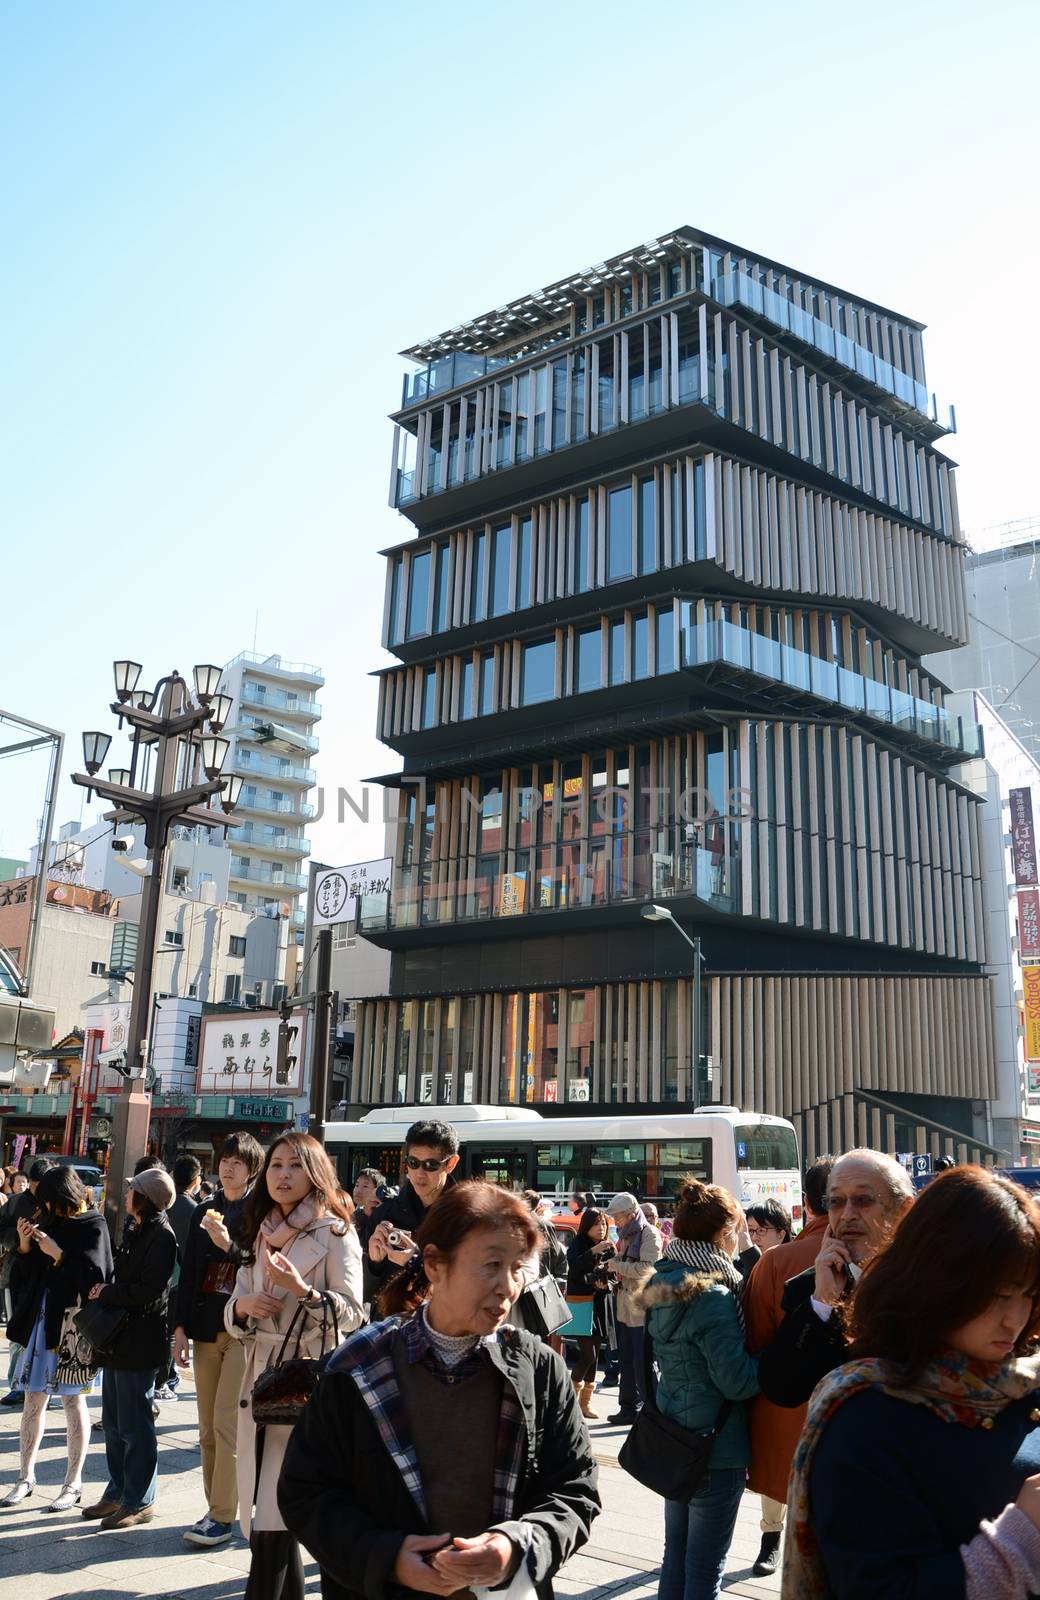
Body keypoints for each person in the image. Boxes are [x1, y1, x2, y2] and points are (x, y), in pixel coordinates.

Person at [279, 1180, 601, 1600]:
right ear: (434, 1264)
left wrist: (517, 1545)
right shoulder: (358, 1366)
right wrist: (387, 1557)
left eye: (518, 1266)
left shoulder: (539, 1368)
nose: (508, 1286)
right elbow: (305, 1493)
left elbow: (575, 1489)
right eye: (490, 1264)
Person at [783, 1165, 1040, 1598]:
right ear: (937, 1280)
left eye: (1030, 1295)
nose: (1015, 1319)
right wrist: (1022, 1536)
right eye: (998, 1295)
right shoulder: (868, 1416)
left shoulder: (1023, 1380)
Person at [225, 1131, 365, 1600]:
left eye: (295, 1166)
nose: (283, 1175)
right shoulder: (259, 1229)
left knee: (281, 1516)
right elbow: (233, 1306)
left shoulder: (336, 1233)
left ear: (315, 1172)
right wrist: (243, 1307)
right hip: (260, 1378)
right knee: (267, 1512)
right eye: (276, 1165)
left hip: (308, 1388)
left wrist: (303, 1292)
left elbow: (353, 1313)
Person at [639, 1179, 760, 1600]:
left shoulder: (662, 1278)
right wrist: (775, 1359)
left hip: (677, 1436)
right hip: (715, 1446)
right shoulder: (715, 1294)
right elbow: (737, 1380)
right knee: (706, 1569)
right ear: (724, 1233)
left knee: (677, 1559)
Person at [757, 1148, 913, 1408]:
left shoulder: (933, 1283)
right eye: (836, 1202)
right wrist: (822, 1303)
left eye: (863, 1200)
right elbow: (781, 1388)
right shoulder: (808, 1288)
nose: (847, 1214)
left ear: (904, 1209)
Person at [0, 1167, 113, 1510]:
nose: (46, 1208)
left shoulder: (94, 1225)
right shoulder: (51, 1221)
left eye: (50, 1201)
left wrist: (59, 1254)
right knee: (33, 1400)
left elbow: (97, 1281)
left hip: (72, 1329)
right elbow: (28, 1274)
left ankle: (73, 1483)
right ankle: (24, 1477)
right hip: (41, 1322)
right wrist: (25, 1245)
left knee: (72, 1402)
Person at [173, 1129, 264, 1548]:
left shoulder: (261, 1213)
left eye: (238, 1162)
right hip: (206, 1324)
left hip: (244, 1329)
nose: (229, 1167)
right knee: (207, 1427)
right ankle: (217, 1506)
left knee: (228, 1422)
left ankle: (224, 1515)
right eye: (225, 1159)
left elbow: (261, 1268)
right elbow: (188, 1272)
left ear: (251, 1170)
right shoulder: (202, 1210)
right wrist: (178, 1329)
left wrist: (229, 1245)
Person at [744, 1157, 833, 1577]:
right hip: (855, 1419)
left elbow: (757, 1340)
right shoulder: (889, 1260)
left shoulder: (776, 1260)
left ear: (807, 1204)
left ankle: (769, 1543)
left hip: (784, 1403)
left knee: (783, 1479)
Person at [81, 1167, 178, 1529]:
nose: (126, 1194)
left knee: (136, 1425)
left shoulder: (163, 1237)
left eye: (132, 1190)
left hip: (140, 1340)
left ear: (145, 1199)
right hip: (120, 1338)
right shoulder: (137, 1229)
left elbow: (149, 1292)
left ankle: (140, 1499)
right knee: (116, 1421)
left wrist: (107, 1292)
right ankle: (118, 1491)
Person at [366, 1119, 459, 1295]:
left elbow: (471, 1287)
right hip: (391, 1320)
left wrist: (416, 1262)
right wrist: (373, 1263)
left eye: (431, 1165)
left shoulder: (467, 1219)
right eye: (413, 1163)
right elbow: (364, 1294)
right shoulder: (384, 1214)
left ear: (451, 1164)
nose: (419, 1173)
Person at [0, 1158, 54, 1409]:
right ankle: (16, 1385)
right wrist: (21, 1239)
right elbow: (1, 1232)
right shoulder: (14, 1204)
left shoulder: (57, 1202)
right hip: (17, 1274)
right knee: (16, 1330)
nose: (34, 1191)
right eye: (31, 1185)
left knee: (44, 1333)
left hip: (49, 1274)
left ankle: (42, 1384)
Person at [604, 1191, 661, 1425]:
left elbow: (648, 1268)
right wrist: (613, 1266)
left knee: (643, 1360)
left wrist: (617, 1265)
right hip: (625, 1305)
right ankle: (627, 1407)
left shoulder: (649, 1234)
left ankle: (652, 1410)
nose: (615, 1221)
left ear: (630, 1214)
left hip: (641, 1306)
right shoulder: (628, 1234)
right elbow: (627, 1263)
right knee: (626, 1358)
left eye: (617, 1216)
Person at [155, 1154, 202, 1402]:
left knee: (160, 1331)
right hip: (179, 1282)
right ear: (195, 1180)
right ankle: (164, 1381)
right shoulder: (197, 1211)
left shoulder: (162, 1203)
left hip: (157, 1279)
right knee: (171, 1333)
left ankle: (160, 1379)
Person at [566, 1207, 615, 1419]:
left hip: (599, 1304)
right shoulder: (578, 1244)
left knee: (594, 1356)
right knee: (588, 1354)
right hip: (581, 1303)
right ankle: (568, 1401)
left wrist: (607, 1285)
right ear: (586, 1226)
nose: (601, 1228)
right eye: (596, 1224)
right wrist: (594, 1252)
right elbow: (575, 1269)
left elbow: (614, 1275)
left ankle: (585, 1403)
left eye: (603, 1224)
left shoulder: (609, 1248)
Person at [351, 1166, 387, 1249]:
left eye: (365, 1186)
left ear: (378, 1191)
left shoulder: (384, 1216)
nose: (358, 1190)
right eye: (357, 1185)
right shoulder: (355, 1214)